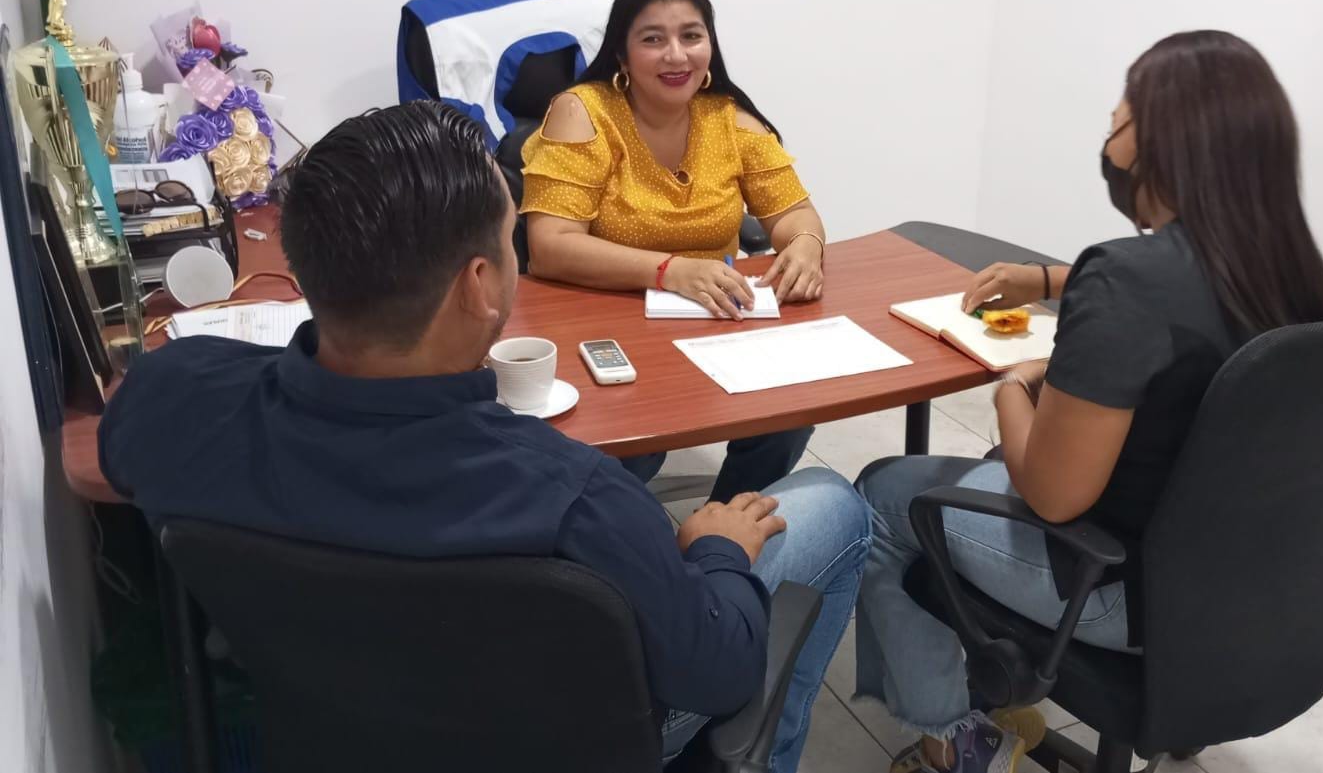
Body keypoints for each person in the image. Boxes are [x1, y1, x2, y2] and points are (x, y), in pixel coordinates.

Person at [99, 102, 870, 773]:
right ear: (479, 283)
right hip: (567, 747)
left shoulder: (173, 399)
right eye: (510, 243)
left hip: (331, 729)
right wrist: (717, 551)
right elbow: (721, 673)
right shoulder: (583, 502)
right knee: (832, 504)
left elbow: (127, 446)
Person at [854, 31, 1323, 773]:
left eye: (1118, 123)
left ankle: (952, 741)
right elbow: (1178, 310)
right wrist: (1055, 280)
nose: (1109, 142)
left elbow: (1053, 495)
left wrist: (1015, 386)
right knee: (990, 464)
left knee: (885, 492)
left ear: (1162, 146)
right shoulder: (1289, 271)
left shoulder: (1127, 282)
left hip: (1124, 591)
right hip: (1257, 587)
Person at [520, 0, 824, 500]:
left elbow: (795, 213)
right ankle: (622, 535)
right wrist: (669, 271)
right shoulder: (582, 112)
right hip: (605, 321)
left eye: (691, 36)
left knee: (789, 408)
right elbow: (549, 247)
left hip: (710, 318)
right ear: (622, 53)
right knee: (634, 448)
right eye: (653, 39)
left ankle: (726, 525)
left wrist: (806, 245)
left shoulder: (730, 118)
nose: (676, 55)